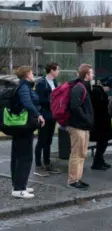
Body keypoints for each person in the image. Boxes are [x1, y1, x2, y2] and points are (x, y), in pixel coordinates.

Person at [10, 66, 44, 198]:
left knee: (17, 156)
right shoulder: (24, 87)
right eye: (31, 73)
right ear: (26, 75)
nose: (33, 74)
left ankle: (19, 185)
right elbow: (27, 103)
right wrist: (38, 115)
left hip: (20, 126)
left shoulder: (23, 86)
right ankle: (19, 189)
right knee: (25, 157)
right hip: (24, 126)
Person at [67, 64, 94, 190]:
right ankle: (72, 180)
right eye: (91, 73)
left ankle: (78, 178)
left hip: (84, 126)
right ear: (86, 75)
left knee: (82, 154)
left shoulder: (84, 87)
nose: (93, 75)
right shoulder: (78, 88)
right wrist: (86, 118)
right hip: (78, 126)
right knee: (76, 154)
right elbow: (75, 107)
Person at [33, 62, 61, 177]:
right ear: (51, 70)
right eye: (57, 70)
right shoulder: (41, 83)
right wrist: (51, 101)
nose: (58, 72)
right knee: (41, 140)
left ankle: (47, 163)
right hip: (44, 115)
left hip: (52, 115)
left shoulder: (54, 82)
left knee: (48, 140)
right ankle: (38, 166)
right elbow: (38, 99)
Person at [89, 78, 112, 171]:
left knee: (102, 143)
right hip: (100, 123)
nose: (109, 89)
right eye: (109, 87)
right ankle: (97, 162)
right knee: (102, 143)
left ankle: (100, 160)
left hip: (101, 123)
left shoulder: (98, 91)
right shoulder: (98, 92)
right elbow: (99, 107)